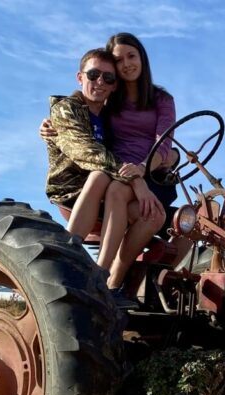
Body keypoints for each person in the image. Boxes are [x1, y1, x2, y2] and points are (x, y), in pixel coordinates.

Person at [41, 33, 180, 291]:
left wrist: (150, 167)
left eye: (131, 56)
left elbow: (165, 144)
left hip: (147, 171)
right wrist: (51, 123)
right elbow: (80, 113)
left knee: (184, 222)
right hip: (112, 174)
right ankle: (95, 271)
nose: (126, 64)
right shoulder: (108, 100)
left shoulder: (161, 100)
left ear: (142, 58)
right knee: (112, 185)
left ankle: (119, 280)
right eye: (119, 60)